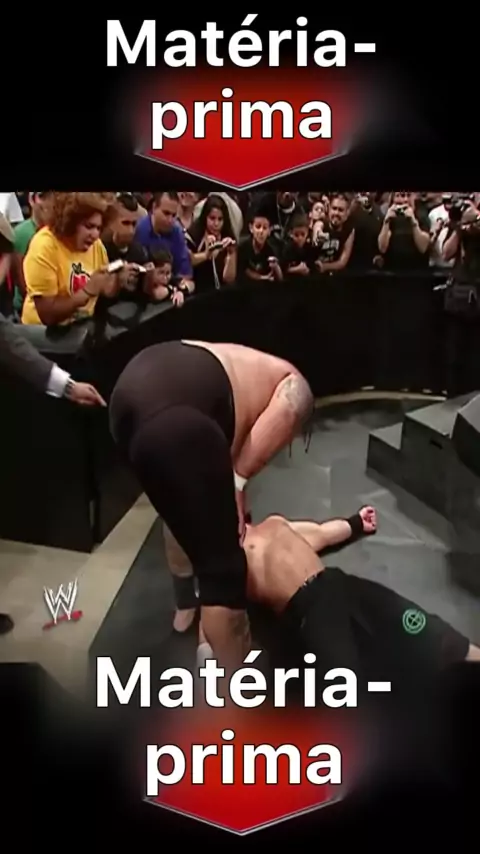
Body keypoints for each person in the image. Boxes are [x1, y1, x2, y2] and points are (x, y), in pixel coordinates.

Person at [109, 341, 313, 667]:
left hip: (130, 396)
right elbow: (294, 400)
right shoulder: (291, 381)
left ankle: (186, 606)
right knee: (223, 574)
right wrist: (239, 483)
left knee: (179, 510)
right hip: (180, 412)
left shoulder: (248, 365)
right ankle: (233, 676)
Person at [236, 506, 479, 690]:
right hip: (308, 611)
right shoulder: (227, 558)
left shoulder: (274, 523)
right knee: (346, 692)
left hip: (340, 585)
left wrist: (355, 523)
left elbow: (321, 533)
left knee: (431, 634)